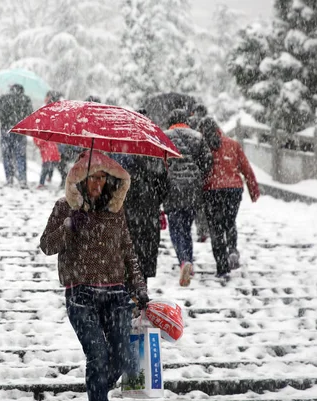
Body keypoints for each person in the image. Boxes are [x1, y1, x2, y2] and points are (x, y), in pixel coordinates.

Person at [40, 150, 149, 401]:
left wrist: (139, 287)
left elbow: (127, 251)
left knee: (123, 357)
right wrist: (68, 226)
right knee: (98, 356)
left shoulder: (115, 210)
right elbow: (47, 245)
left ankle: (97, 390)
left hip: (116, 295)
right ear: (79, 179)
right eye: (92, 177)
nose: (97, 183)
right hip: (81, 295)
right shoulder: (64, 207)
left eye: (102, 177)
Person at [199, 117, 260, 279]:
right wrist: (253, 190)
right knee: (229, 221)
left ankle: (222, 265)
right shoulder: (232, 144)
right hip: (233, 189)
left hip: (211, 190)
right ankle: (232, 249)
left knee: (215, 227)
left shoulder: (203, 146)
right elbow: (246, 168)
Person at [112, 109, 168, 284]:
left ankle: (124, 299)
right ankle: (139, 298)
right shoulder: (156, 148)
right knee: (142, 261)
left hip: (123, 208)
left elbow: (111, 179)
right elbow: (165, 184)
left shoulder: (119, 146)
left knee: (124, 257)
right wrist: (154, 200)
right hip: (148, 210)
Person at [163, 109, 213, 287]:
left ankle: (184, 260)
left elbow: (159, 164)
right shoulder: (198, 137)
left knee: (176, 228)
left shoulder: (164, 137)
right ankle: (188, 261)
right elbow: (208, 161)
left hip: (173, 188)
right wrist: (197, 175)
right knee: (187, 225)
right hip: (192, 189)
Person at [0, 83, 33, 188]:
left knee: (7, 155)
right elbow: (30, 114)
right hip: (19, 130)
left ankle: (9, 178)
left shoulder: (2, 99)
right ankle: (22, 179)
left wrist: (6, 120)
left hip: (5, 129)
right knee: (20, 155)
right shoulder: (26, 99)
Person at [188, 103, 211, 242]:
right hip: (203, 170)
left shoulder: (190, 123)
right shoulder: (208, 124)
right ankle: (203, 229)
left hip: (189, 168)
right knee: (203, 204)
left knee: (194, 203)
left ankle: (195, 228)